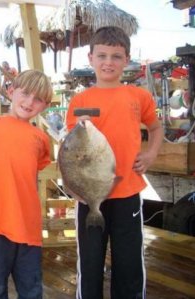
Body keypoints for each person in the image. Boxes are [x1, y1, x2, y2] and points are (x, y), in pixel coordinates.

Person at [65, 26, 163, 299]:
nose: (108, 62)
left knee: (129, 262)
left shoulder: (138, 96)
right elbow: (72, 149)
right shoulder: (80, 100)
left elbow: (156, 128)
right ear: (91, 58)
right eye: (103, 55)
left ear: (127, 59)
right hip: (89, 197)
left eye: (116, 56)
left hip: (127, 192)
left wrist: (151, 153)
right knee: (90, 262)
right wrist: (73, 186)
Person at [0, 69, 53, 298]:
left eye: (38, 99)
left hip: (28, 226)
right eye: (25, 94)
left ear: (45, 105)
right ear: (10, 91)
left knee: (32, 290)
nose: (29, 102)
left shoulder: (41, 139)